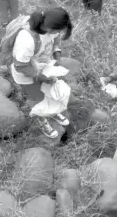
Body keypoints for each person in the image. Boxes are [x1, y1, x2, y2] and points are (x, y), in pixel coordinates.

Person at [11, 7, 73, 139]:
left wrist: (57, 52)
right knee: (37, 99)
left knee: (49, 91)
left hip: (43, 65)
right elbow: (20, 66)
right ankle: (42, 120)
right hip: (26, 74)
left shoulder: (48, 27)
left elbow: (56, 39)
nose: (58, 33)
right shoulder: (26, 40)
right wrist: (40, 77)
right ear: (51, 28)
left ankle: (52, 112)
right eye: (58, 31)